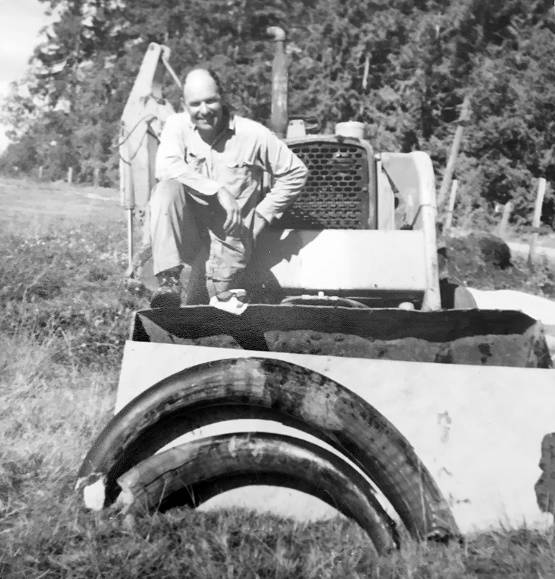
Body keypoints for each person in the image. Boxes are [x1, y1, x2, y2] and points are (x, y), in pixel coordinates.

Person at [148, 67, 308, 308]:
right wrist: (218, 190)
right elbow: (165, 167)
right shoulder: (176, 126)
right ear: (184, 105)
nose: (204, 110)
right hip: (188, 245)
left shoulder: (253, 135)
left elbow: (296, 171)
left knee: (216, 319)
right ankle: (169, 280)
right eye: (195, 104)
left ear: (222, 97)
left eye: (210, 101)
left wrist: (261, 216)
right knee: (166, 189)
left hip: (228, 248)